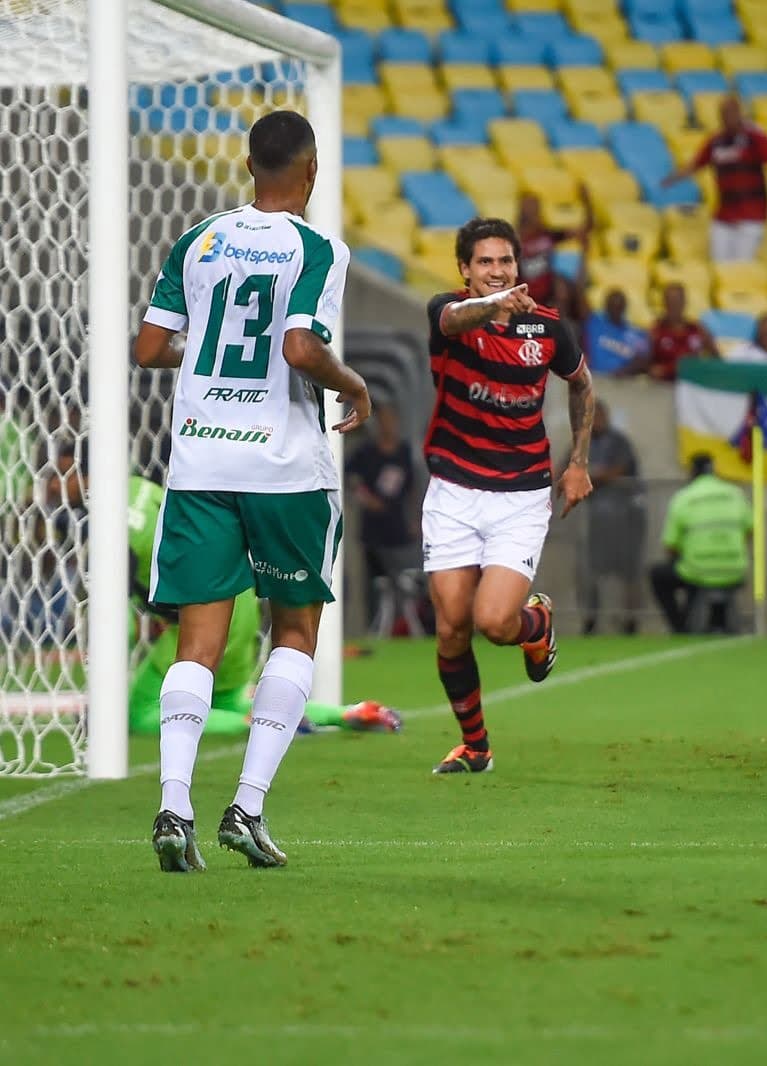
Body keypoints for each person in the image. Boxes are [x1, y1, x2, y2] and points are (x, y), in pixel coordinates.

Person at [132, 109, 369, 872]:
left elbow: (147, 346)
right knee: (293, 633)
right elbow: (300, 346)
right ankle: (248, 807)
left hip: (202, 465)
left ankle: (174, 806)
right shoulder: (317, 249)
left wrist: (202, 354)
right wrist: (352, 381)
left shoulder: (198, 238)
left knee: (196, 640)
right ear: (311, 170)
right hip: (284, 469)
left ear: (246, 165)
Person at [423, 217, 595, 775]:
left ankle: (535, 624)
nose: (497, 271)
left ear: (517, 266)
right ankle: (476, 746)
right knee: (451, 627)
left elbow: (582, 384)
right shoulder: (448, 315)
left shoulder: (546, 327)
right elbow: (451, 317)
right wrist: (490, 308)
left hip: (520, 495)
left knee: (494, 623)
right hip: (452, 490)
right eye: (485, 263)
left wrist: (578, 464)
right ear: (465, 271)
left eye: (505, 261)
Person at [127, 477, 400, 738]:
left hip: (205, 608)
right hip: (240, 599)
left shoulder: (108, 521)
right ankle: (345, 713)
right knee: (226, 700)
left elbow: (120, 612)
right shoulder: (138, 488)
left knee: (141, 711)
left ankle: (257, 726)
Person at [663, 95, 767, 263]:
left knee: (740, 265)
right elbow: (696, 164)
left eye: (730, 113)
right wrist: (672, 179)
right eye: (723, 114)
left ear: (739, 113)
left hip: (752, 213)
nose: (727, 118)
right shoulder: (716, 141)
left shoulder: (754, 136)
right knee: (719, 264)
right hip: (724, 214)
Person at [651, 453, 752, 633]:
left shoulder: (684, 497)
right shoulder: (735, 494)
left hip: (697, 570)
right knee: (694, 573)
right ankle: (717, 620)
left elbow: (670, 545)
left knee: (660, 575)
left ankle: (680, 627)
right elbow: (750, 531)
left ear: (692, 472)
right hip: (734, 570)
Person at [345, 405, 418, 633]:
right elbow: (350, 477)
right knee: (375, 582)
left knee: (403, 579)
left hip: (397, 527)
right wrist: (365, 498)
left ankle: (407, 626)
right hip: (372, 528)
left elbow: (412, 487)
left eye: (391, 420)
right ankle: (374, 627)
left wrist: (415, 517)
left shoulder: (403, 452)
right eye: (383, 420)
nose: (387, 425)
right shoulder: (366, 452)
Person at [574, 402, 644, 635]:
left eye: (600, 416)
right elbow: (567, 469)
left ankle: (631, 620)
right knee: (592, 572)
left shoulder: (619, 442)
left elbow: (618, 471)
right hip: (595, 523)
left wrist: (592, 476)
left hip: (625, 521)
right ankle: (591, 619)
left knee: (628, 573)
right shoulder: (581, 443)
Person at [516, 189, 590, 305]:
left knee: (564, 284)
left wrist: (587, 203)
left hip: (548, 296)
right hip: (524, 299)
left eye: (537, 207)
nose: (535, 211)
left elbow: (583, 230)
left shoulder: (548, 234)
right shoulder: (514, 240)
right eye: (530, 208)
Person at [646, 281, 717, 382]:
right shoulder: (656, 331)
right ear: (664, 303)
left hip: (691, 386)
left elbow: (717, 359)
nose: (674, 306)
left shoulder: (698, 329)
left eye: (677, 301)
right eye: (670, 301)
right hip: (665, 387)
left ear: (685, 302)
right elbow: (646, 366)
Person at [584, 288, 650, 376]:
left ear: (624, 307)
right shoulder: (593, 323)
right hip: (595, 377)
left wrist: (624, 371)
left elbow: (644, 360)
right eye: (612, 306)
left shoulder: (636, 335)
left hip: (621, 382)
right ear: (606, 306)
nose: (615, 309)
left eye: (619, 306)